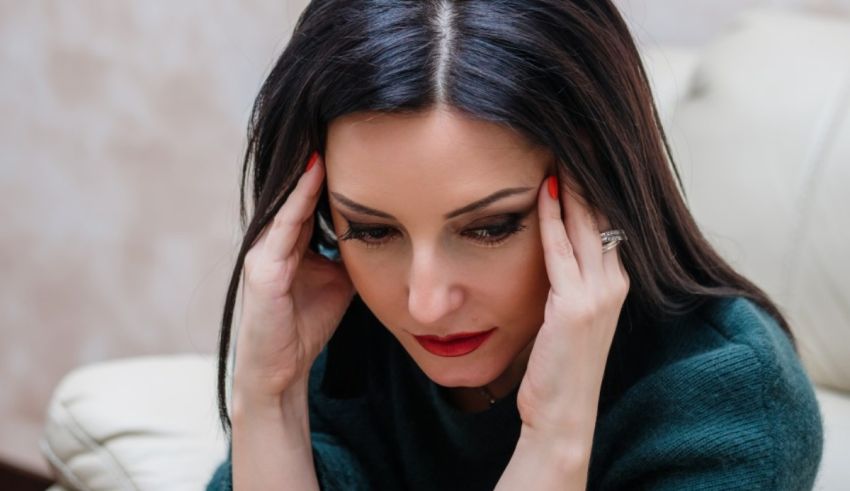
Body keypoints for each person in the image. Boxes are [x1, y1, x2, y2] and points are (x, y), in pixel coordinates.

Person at [206, 0, 823, 489]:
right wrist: (269, 400)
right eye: (373, 230)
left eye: (489, 228)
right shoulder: (335, 342)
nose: (425, 303)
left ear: (597, 185)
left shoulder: (729, 400)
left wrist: (555, 437)